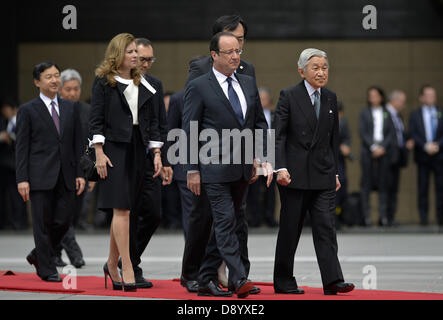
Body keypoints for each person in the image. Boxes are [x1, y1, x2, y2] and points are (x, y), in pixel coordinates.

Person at [183, 32, 272, 298]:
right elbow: (189, 130)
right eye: (229, 52)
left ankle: (206, 278)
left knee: (228, 223)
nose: (235, 56)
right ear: (214, 55)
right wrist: (192, 169)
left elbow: (258, 124)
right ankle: (239, 277)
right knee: (225, 221)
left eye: (238, 51)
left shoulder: (247, 82)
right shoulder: (199, 86)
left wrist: (264, 159)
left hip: (243, 169)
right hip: (213, 168)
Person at [273, 48, 354, 295]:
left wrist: (336, 173)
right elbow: (278, 136)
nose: (321, 72)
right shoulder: (288, 95)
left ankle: (332, 280)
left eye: (325, 67)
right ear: (302, 71)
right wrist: (280, 167)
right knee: (290, 229)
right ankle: (283, 280)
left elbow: (333, 140)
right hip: (293, 175)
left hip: (323, 174)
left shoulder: (330, 97)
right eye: (315, 68)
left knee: (326, 227)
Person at [89, 33, 163, 292]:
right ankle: (127, 266)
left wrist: (156, 154)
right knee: (122, 209)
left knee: (125, 209)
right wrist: (98, 152)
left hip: (137, 147)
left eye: (136, 52)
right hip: (113, 148)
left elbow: (154, 120)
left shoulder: (144, 82)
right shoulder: (103, 82)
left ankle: (111, 263)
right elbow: (95, 119)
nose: (135, 56)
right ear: (118, 54)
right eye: (130, 51)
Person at [16, 62, 85, 282]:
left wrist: (81, 173)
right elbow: (22, 147)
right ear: (37, 82)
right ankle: (46, 268)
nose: (55, 80)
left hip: (66, 174)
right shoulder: (27, 110)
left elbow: (77, 143)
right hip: (39, 176)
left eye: (56, 75)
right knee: (42, 224)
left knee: (64, 221)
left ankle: (38, 255)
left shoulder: (70, 108)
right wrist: (22, 179)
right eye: (49, 77)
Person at [116, 37, 171, 289]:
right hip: (125, 156)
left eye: (151, 59)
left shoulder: (155, 84)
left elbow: (160, 124)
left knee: (153, 213)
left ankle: (124, 260)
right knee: (131, 211)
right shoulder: (116, 83)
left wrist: (163, 157)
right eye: (143, 58)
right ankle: (129, 264)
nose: (146, 63)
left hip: (150, 158)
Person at [54, 68, 89, 269]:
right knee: (62, 214)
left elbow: (92, 143)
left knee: (72, 214)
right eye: (68, 89)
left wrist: (90, 173)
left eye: (76, 89)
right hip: (60, 170)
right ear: (60, 90)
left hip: (82, 169)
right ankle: (73, 254)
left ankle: (50, 252)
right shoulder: (55, 110)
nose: (72, 93)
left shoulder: (86, 110)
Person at [359, 86, 395, 227]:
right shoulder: (364, 113)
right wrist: (373, 147)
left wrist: (383, 147)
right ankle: (366, 217)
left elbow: (391, 133)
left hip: (384, 151)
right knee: (366, 184)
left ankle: (383, 217)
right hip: (368, 151)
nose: (373, 98)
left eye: (375, 95)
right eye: (370, 95)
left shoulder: (387, 112)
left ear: (381, 97)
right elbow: (362, 132)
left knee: (383, 185)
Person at [409, 85, 443, 227]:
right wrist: (425, 145)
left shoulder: (440, 112)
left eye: (433, 95)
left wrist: (438, 145)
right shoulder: (415, 114)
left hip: (439, 155)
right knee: (423, 188)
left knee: (440, 188)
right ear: (421, 97)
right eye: (428, 95)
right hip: (423, 155)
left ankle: (440, 218)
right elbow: (413, 133)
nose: (431, 98)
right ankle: (423, 218)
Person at [246, 87, 278, 228]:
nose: (262, 101)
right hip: (256, 156)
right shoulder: (250, 114)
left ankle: (270, 216)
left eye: (265, 98)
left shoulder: (274, 115)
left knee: (271, 188)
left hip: (271, 156)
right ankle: (255, 217)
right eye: (260, 98)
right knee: (255, 189)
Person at [386, 90, 413, 226]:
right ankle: (385, 217)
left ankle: (391, 216)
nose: (403, 105)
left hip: (398, 157)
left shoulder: (399, 116)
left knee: (394, 188)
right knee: (387, 187)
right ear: (394, 100)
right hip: (387, 157)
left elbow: (401, 134)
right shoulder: (384, 114)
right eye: (402, 101)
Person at [0, 98, 27, 230]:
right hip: (4, 165)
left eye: (7, 108)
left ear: (14, 109)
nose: (5, 111)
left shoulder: (22, 121)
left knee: (18, 195)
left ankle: (20, 222)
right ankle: (6, 221)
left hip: (17, 165)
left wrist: (11, 137)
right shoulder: (3, 122)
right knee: (6, 195)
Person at [336, 102, 352, 227]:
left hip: (340, 161)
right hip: (327, 161)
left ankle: (340, 216)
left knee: (341, 188)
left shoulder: (344, 123)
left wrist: (346, 147)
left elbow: (347, 139)